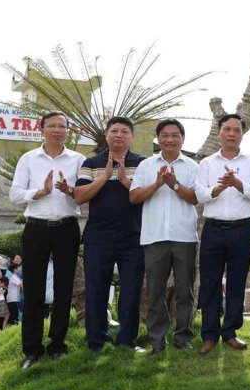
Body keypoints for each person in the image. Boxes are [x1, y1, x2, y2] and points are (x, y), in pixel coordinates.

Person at [9, 111, 85, 369]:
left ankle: (57, 345)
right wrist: (39, 192)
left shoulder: (78, 159)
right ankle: (31, 349)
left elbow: (85, 195)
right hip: (36, 228)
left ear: (68, 130)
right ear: (41, 129)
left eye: (61, 126)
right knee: (33, 290)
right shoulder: (29, 159)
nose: (56, 130)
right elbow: (15, 194)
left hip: (67, 228)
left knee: (64, 288)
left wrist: (69, 190)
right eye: (51, 126)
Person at [193, 113, 250, 354]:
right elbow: (200, 195)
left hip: (241, 230)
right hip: (212, 229)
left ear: (242, 134)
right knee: (210, 283)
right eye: (227, 129)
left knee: (236, 283)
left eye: (237, 130)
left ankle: (231, 332)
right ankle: (209, 335)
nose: (232, 133)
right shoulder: (206, 164)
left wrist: (238, 184)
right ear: (219, 132)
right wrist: (219, 187)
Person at [74, 116, 147, 353]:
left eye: (124, 131)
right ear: (106, 136)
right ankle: (97, 341)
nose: (119, 135)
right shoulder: (92, 162)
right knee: (95, 289)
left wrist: (125, 181)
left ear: (131, 136)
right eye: (114, 131)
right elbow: (80, 196)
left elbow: (146, 195)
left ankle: (127, 341)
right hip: (98, 237)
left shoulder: (144, 163)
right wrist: (105, 177)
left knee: (131, 291)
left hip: (134, 237)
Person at [129, 119, 199, 356]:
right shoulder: (146, 165)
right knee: (155, 291)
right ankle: (157, 341)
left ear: (183, 138)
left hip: (184, 236)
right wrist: (158, 183)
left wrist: (175, 184)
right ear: (158, 139)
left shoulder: (192, 166)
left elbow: (196, 198)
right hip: (154, 236)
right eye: (165, 135)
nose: (170, 139)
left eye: (175, 135)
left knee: (185, 291)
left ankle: (183, 337)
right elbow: (135, 197)